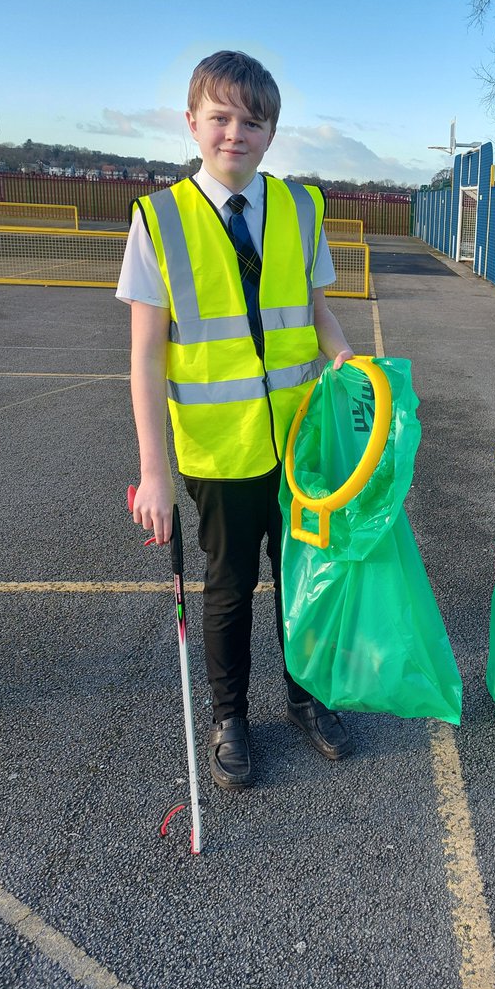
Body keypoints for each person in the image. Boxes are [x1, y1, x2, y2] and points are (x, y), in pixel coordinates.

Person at [117, 50, 356, 789]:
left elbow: (319, 313)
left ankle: (306, 698)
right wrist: (153, 473)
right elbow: (145, 359)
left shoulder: (301, 207)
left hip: (298, 441)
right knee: (228, 586)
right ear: (192, 122)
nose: (235, 133)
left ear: (271, 132)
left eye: (252, 121)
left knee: (301, 577)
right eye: (220, 117)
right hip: (219, 451)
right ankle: (230, 718)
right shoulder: (159, 220)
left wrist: (350, 367)